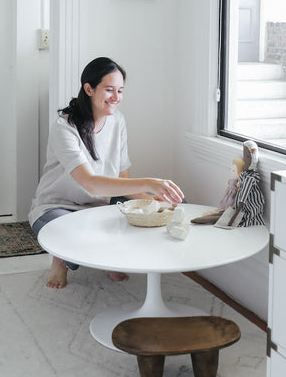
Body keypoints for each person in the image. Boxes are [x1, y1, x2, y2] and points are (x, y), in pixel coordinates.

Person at [29, 56, 183, 289]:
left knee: (169, 210)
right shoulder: (65, 127)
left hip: (101, 207)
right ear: (89, 89)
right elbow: (90, 183)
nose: (116, 98)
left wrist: (154, 203)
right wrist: (150, 183)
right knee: (64, 235)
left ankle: (109, 254)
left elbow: (122, 179)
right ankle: (60, 261)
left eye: (120, 91)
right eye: (109, 90)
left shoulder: (117, 121)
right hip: (57, 207)